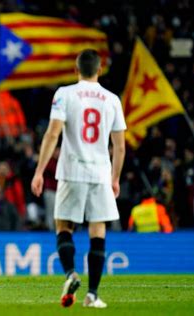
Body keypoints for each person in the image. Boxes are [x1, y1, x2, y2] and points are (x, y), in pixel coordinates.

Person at [31, 49, 126, 308]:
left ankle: (71, 273)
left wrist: (39, 171)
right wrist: (115, 177)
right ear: (99, 70)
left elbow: (52, 134)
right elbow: (119, 146)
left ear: (76, 70)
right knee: (98, 231)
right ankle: (92, 295)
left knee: (64, 227)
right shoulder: (112, 99)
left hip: (71, 171)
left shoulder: (64, 94)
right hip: (100, 172)